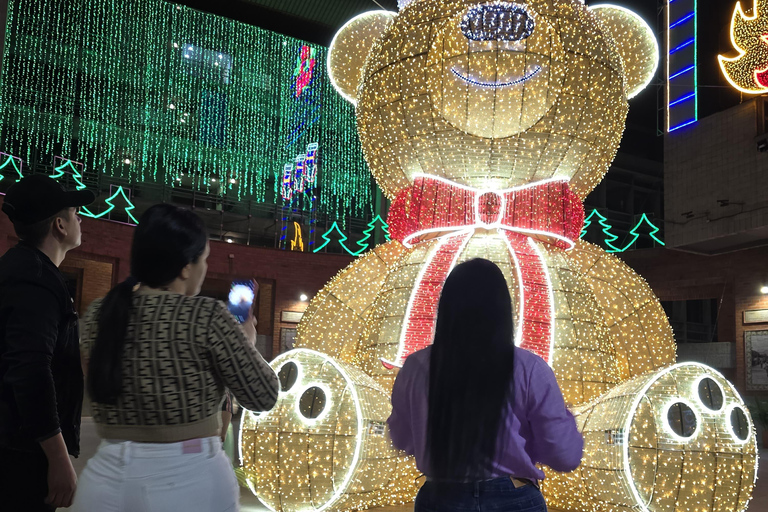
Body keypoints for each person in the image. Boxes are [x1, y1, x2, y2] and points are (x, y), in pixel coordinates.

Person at [72, 203, 279, 512]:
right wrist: (246, 343)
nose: (205, 268)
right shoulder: (206, 315)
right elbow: (263, 395)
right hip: (189, 481)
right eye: (204, 259)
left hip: (104, 480)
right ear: (185, 266)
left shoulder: (99, 314)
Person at [388, 258, 583, 512]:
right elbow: (565, 455)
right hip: (514, 500)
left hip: (439, 498)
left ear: (446, 308)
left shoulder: (415, 367)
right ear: (503, 310)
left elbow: (402, 439)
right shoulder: (530, 368)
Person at [0, 174, 95, 511]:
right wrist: (57, 457)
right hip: (21, 455)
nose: (80, 218)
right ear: (60, 225)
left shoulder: (23, 269)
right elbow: (30, 371)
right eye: (74, 212)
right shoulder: (35, 282)